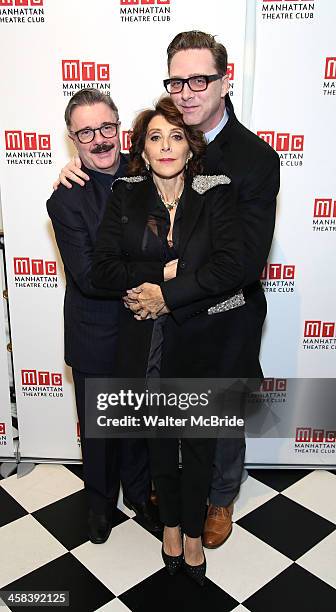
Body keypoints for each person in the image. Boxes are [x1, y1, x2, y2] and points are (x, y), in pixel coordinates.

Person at [53, 29, 280, 550]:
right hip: (165, 323)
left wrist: (166, 290)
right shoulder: (169, 138)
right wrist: (82, 169)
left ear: (226, 82)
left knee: (220, 414)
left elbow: (243, 263)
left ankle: (221, 497)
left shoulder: (253, 158)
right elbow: (122, 191)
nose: (188, 90)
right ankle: (171, 501)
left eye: (200, 79)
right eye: (178, 80)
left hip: (223, 314)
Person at [91, 96, 245, 585]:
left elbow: (229, 266)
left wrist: (170, 295)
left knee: (199, 442)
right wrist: (159, 275)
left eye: (176, 135)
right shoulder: (126, 194)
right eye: (155, 136)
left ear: (191, 145)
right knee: (160, 443)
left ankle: (195, 533)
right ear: (142, 147)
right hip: (146, 342)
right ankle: (172, 530)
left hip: (202, 335)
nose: (165, 145)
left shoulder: (215, 192)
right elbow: (103, 268)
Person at [47, 88, 161, 544]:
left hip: (144, 331)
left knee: (136, 423)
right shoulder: (65, 200)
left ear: (121, 128)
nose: (99, 139)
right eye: (86, 132)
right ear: (73, 139)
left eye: (107, 127)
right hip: (95, 330)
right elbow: (91, 277)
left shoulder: (149, 172)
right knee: (98, 429)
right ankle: (99, 503)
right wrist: (158, 272)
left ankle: (138, 493)